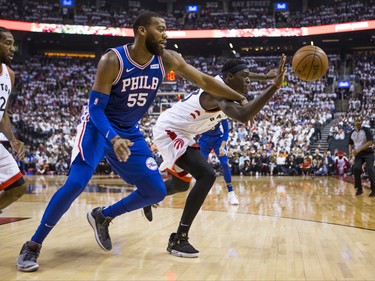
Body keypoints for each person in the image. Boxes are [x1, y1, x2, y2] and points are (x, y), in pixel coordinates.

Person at [16, 11, 250, 272]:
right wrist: (112, 137)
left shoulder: (167, 59)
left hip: (128, 131)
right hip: (97, 128)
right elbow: (95, 110)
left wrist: (240, 99)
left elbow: (205, 81)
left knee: (156, 191)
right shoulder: (112, 60)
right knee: (76, 183)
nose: (165, 34)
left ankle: (103, 216)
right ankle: (33, 245)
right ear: (141, 30)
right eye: (160, 29)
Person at [150, 55, 286, 258]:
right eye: (245, 77)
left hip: (185, 133)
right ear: (230, 77)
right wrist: (274, 86)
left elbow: (244, 81)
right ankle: (180, 238)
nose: (249, 80)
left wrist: (265, 77)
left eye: (249, 77)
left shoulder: (228, 83)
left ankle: (147, 195)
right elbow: (242, 115)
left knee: (181, 185)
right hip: (170, 129)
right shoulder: (217, 93)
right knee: (207, 175)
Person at [197, 70, 277, 205]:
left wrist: (222, 146)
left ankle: (231, 193)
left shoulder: (221, 111)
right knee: (200, 166)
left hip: (217, 140)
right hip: (204, 139)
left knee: (224, 163)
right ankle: (198, 194)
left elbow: (226, 131)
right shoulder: (206, 107)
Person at [0, 27, 27, 214]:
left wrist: (12, 139)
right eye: (7, 43)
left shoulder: (9, 74)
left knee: (18, 187)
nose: (12, 48)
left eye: (13, 44)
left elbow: (3, 113)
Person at [348, 115, 375, 197]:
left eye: (360, 121)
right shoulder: (352, 133)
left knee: (370, 169)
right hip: (359, 155)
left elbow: (370, 142)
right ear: (354, 122)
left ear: (362, 122)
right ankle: (359, 189)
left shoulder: (366, 130)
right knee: (356, 168)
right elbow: (350, 143)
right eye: (357, 121)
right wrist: (350, 153)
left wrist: (358, 150)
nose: (358, 122)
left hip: (368, 153)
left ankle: (374, 190)